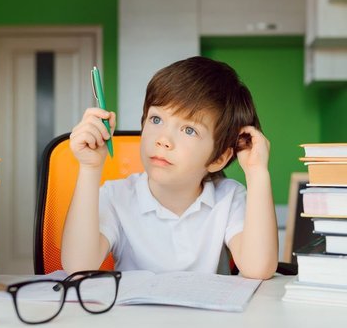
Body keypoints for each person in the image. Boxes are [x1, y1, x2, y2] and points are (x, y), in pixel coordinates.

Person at [62, 56, 278, 279]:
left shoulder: (229, 197)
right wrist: (89, 169)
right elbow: (78, 267)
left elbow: (258, 268)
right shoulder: (116, 195)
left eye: (189, 130)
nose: (163, 139)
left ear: (219, 158)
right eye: (156, 120)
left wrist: (257, 173)